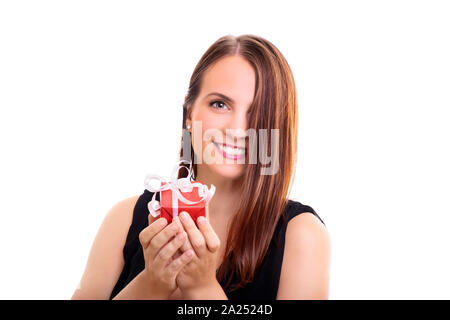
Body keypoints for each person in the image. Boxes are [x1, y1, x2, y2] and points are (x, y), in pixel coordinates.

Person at [71, 34, 331, 300]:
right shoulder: (124, 218)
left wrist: (202, 287)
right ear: (189, 112)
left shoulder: (302, 236)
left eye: (257, 112)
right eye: (220, 104)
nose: (237, 130)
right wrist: (153, 281)